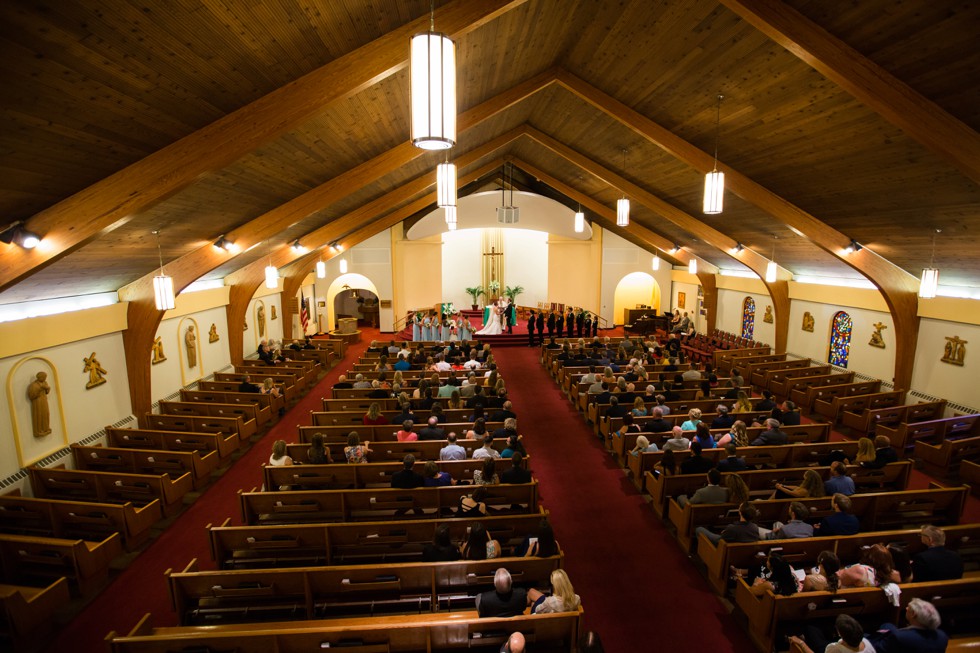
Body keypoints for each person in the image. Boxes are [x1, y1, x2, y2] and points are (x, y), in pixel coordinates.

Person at [867, 598, 947, 653]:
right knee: (888, 626)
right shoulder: (942, 636)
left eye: (908, 607)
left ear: (913, 614)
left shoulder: (900, 637)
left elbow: (876, 649)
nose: (906, 608)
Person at [788, 613, 874, 653]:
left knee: (810, 628)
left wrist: (801, 643)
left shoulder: (835, 649)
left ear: (840, 634)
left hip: (825, 648)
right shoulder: (867, 643)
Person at [695, 501, 760, 546]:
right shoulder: (755, 527)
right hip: (739, 554)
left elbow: (720, 542)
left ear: (740, 512)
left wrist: (724, 533)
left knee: (699, 529)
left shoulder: (732, 528)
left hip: (722, 550)